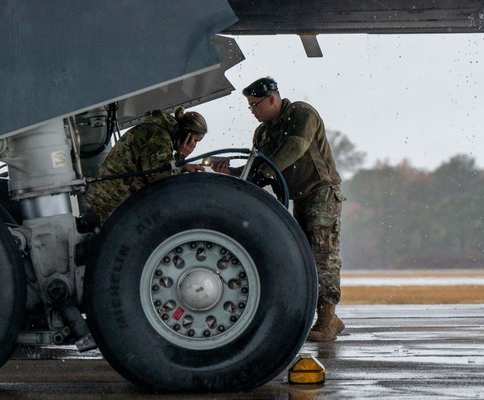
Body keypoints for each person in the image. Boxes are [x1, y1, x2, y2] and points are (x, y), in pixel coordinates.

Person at [216, 76, 345, 342]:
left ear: (272, 98)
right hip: (299, 195)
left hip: (321, 192)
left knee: (323, 254)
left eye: (255, 105)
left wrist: (262, 170)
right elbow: (258, 170)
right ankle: (328, 316)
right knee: (305, 255)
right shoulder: (263, 133)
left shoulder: (301, 113)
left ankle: (328, 318)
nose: (252, 111)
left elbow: (294, 148)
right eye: (250, 106)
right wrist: (230, 172)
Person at [83, 106, 207, 222]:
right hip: (110, 204)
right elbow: (161, 179)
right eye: (195, 141)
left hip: (105, 199)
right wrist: (180, 156)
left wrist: (183, 167)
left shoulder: (156, 130)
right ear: (186, 133)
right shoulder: (161, 138)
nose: (193, 146)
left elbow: (154, 165)